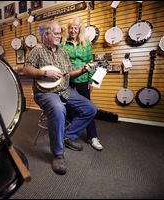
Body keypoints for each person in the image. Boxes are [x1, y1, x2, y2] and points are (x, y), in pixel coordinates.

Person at [22, 20, 97, 175]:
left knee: (90, 109)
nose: (58, 36)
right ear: (46, 34)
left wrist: (84, 70)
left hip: (64, 90)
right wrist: (44, 73)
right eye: (55, 33)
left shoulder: (63, 52)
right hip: (45, 93)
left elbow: (68, 72)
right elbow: (26, 70)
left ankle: (67, 136)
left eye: (59, 34)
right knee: (58, 109)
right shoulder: (38, 50)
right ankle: (57, 154)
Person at [59, 17, 103, 151]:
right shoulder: (63, 44)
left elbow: (91, 62)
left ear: (79, 30)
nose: (73, 30)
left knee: (88, 106)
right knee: (69, 106)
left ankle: (93, 136)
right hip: (68, 79)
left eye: (75, 28)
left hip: (83, 79)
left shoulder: (86, 43)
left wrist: (92, 80)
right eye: (71, 28)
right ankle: (70, 135)